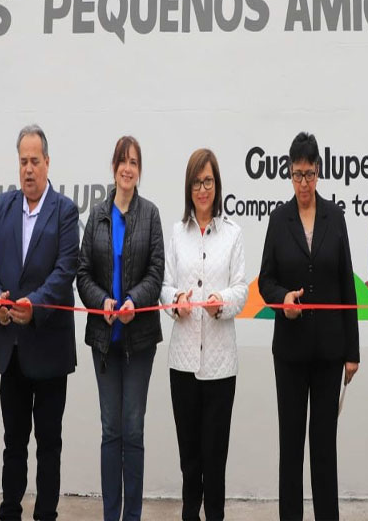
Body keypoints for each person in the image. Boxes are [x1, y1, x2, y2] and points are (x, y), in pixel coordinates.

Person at [0, 124, 79, 521]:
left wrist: (33, 305)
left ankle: (45, 516)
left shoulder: (66, 211)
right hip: (12, 349)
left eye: (35, 161)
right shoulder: (3, 206)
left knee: (49, 443)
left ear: (48, 163)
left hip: (49, 348)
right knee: (13, 442)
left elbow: (65, 269)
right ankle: (9, 512)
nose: (29, 170)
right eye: (23, 161)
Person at [259, 132, 359, 521]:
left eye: (310, 174)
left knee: (323, 446)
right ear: (289, 173)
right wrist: (282, 299)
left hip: (330, 352)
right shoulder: (278, 219)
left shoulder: (335, 217)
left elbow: (347, 284)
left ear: (319, 172)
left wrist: (352, 352)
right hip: (289, 353)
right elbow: (266, 280)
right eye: (298, 175)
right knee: (291, 446)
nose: (304, 183)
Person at [77, 135, 164, 521]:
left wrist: (134, 302)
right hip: (104, 341)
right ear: (114, 168)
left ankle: (132, 516)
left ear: (139, 170)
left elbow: (156, 271)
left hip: (139, 339)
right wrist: (102, 302)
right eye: (122, 161)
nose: (127, 168)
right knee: (111, 429)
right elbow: (83, 274)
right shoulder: (96, 214)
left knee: (133, 429)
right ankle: (111, 515)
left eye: (134, 162)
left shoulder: (150, 215)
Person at [160, 148, 249, 521]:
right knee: (189, 458)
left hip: (220, 365)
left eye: (208, 181)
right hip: (182, 362)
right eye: (196, 182)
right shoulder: (177, 233)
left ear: (217, 185)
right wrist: (175, 299)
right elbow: (163, 285)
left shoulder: (232, 234)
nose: (202, 189)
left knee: (215, 457)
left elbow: (242, 289)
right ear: (188, 187)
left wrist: (221, 301)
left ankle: (215, 515)